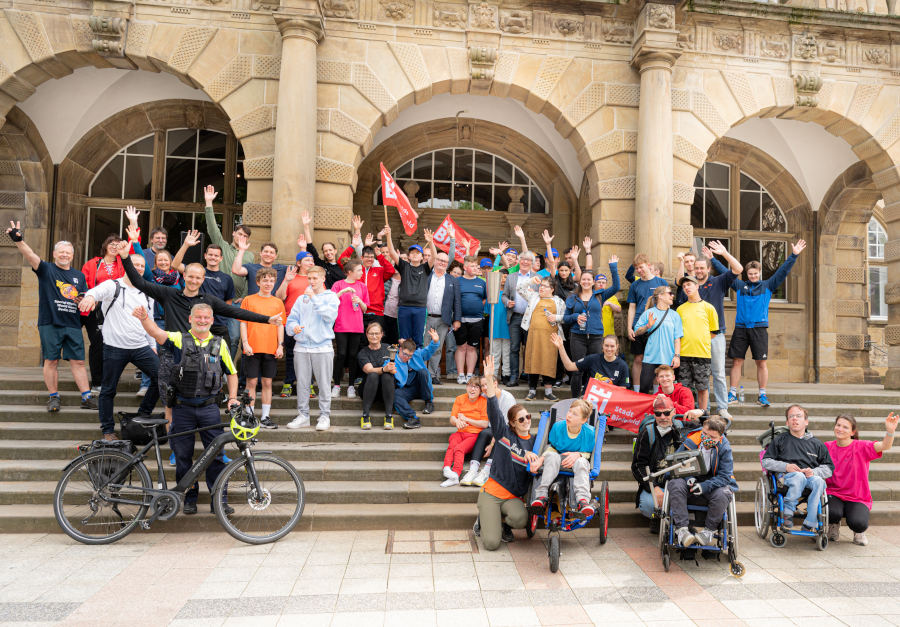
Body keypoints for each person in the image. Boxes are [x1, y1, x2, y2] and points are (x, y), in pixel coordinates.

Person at [133, 303, 239, 515]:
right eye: (198, 317)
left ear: (211, 320)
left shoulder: (220, 344)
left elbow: (232, 373)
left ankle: (219, 500)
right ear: (190, 319)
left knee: (216, 456)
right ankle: (188, 497)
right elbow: (157, 332)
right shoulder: (179, 339)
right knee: (182, 456)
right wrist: (145, 318)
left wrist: (233, 398)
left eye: (206, 318)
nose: (202, 321)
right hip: (183, 409)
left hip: (210, 408)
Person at [6, 222, 96, 412]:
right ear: (55, 254)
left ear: (72, 255)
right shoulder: (46, 269)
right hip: (50, 323)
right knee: (51, 360)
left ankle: (87, 397)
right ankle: (54, 397)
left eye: (68, 252)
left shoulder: (79, 276)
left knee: (79, 361)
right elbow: (30, 256)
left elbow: (82, 298)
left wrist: (89, 300)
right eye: (61, 252)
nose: (64, 255)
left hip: (72, 324)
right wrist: (19, 240)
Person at [79, 254, 160, 439]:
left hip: (140, 346)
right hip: (114, 348)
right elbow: (95, 292)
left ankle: (143, 415)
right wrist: (90, 298)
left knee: (161, 376)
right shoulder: (113, 285)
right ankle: (107, 430)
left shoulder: (147, 293)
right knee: (108, 390)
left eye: (141, 266)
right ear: (125, 266)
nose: (138, 268)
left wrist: (152, 345)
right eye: (135, 264)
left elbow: (150, 321)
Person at [729, 240, 807, 407]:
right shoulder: (739, 286)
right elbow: (725, 273)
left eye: (755, 274)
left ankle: (762, 395)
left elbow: (783, 271)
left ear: (759, 273)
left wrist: (794, 255)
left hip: (759, 329)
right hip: (741, 329)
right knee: (737, 361)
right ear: (746, 274)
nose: (753, 277)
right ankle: (732, 393)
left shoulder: (767, 286)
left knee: (761, 363)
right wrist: (717, 257)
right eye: (750, 274)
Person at [475, 356, 540, 549]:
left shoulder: (536, 443)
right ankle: (484, 519)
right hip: (492, 493)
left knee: (521, 520)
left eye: (527, 417)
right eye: (520, 419)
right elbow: (494, 411)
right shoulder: (504, 435)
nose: (526, 421)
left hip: (512, 497)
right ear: (512, 423)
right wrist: (489, 382)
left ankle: (502, 524)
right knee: (491, 544)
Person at [825, 412, 898, 545]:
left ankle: (858, 532)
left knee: (859, 523)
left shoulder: (861, 446)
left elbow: (885, 446)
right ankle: (833, 525)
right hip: (834, 493)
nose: (840, 429)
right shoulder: (827, 447)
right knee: (831, 512)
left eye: (845, 427)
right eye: (838, 425)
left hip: (857, 496)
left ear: (853, 432)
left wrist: (890, 432)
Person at [667, 416, 738, 547]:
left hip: (712, 486)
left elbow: (725, 476)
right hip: (690, 483)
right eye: (704, 434)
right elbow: (675, 465)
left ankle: (708, 531)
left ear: (720, 438)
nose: (707, 438)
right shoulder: (692, 440)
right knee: (674, 484)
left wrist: (705, 486)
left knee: (724, 493)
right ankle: (682, 530)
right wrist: (688, 478)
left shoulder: (724, 448)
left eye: (712, 437)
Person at [761, 404, 834, 531]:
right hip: (786, 479)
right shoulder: (780, 440)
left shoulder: (817, 444)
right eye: (791, 416)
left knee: (819, 482)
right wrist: (786, 466)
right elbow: (766, 461)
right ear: (787, 422)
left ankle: (811, 521)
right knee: (798, 476)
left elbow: (829, 468)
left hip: (809, 478)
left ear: (806, 422)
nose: (795, 419)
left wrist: (814, 472)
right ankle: (788, 511)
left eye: (799, 416)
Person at [690, 242, 743, 419]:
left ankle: (722, 407)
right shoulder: (690, 286)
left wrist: (725, 253)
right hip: (695, 338)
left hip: (715, 335)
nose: (698, 271)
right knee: (699, 374)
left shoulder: (718, 282)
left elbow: (738, 268)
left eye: (701, 268)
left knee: (719, 373)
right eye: (696, 268)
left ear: (708, 268)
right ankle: (702, 407)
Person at [202, 185, 254, 361]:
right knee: (211, 335)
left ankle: (228, 369)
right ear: (233, 234)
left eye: (245, 236)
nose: (241, 237)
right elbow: (212, 228)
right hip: (219, 299)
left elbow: (252, 279)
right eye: (239, 234)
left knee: (234, 338)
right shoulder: (222, 247)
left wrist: (245, 296)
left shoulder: (250, 255)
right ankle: (211, 366)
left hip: (238, 302)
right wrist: (209, 203)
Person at [285, 266, 339, 431]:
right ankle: (303, 416)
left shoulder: (331, 297)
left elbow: (329, 317)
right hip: (301, 347)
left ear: (323, 279)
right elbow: (291, 319)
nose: (312, 281)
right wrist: (293, 328)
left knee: (323, 384)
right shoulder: (302, 299)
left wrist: (314, 298)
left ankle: (324, 416)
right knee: (302, 383)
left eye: (315, 278)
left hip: (322, 347)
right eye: (310, 278)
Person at [528, 398, 596, 518]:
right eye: (569, 411)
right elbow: (552, 447)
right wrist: (541, 459)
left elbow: (587, 453)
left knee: (582, 462)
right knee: (551, 455)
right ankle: (542, 495)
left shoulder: (589, 432)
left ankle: (583, 501)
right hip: (557, 459)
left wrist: (577, 454)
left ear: (584, 420)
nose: (569, 415)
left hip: (576, 461)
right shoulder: (558, 427)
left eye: (574, 414)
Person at [564, 255, 620, 398]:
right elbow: (565, 318)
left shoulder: (600, 295)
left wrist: (613, 267)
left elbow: (616, 287)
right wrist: (575, 317)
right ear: (580, 281)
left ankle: (589, 399)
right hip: (577, 337)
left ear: (593, 282)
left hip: (595, 337)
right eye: (584, 279)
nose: (586, 281)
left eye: (589, 279)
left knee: (594, 370)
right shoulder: (572, 297)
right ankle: (575, 399)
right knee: (577, 370)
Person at [631, 396, 690, 527]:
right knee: (648, 506)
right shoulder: (647, 432)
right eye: (658, 413)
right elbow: (637, 466)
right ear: (654, 414)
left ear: (674, 412)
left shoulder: (682, 429)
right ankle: (658, 520)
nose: (663, 417)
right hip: (655, 481)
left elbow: (712, 427)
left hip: (678, 481)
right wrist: (655, 487)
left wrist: (702, 412)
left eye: (667, 413)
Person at [240, 267, 286, 429]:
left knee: (267, 382)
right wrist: (245, 342)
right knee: (251, 381)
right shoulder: (248, 300)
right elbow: (243, 323)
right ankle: (250, 415)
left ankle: (265, 417)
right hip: (252, 346)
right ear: (258, 282)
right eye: (265, 280)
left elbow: (280, 326)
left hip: (271, 348)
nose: (268, 283)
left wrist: (280, 345)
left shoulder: (277, 302)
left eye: (271, 280)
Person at [82, 234, 128, 391]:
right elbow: (84, 283)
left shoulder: (123, 264)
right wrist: (90, 297)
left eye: (118, 244)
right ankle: (97, 381)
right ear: (105, 245)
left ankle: (111, 379)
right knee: (97, 343)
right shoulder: (93, 264)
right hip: (95, 309)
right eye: (111, 243)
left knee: (115, 344)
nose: (114, 246)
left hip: (116, 309)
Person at [384, 225, 438, 348]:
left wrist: (431, 242)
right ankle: (404, 366)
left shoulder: (425, 268)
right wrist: (388, 236)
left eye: (417, 253)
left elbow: (434, 257)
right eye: (412, 253)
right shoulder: (404, 266)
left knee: (418, 339)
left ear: (422, 257)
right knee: (403, 339)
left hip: (419, 308)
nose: (414, 254)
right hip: (404, 308)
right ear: (408, 256)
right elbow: (392, 252)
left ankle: (415, 366)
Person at [461, 377, 517, 487]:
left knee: (500, 438)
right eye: (482, 385)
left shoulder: (507, 398)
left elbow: (504, 427)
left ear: (495, 383)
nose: (485, 388)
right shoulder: (483, 397)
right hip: (490, 429)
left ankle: (486, 470)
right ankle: (473, 470)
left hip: (507, 430)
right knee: (484, 433)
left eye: (487, 384)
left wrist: (491, 444)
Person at [675, 275, 718, 414]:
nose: (687, 287)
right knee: (685, 389)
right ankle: (685, 416)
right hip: (684, 355)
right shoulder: (680, 309)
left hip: (701, 355)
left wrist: (699, 342)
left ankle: (702, 415)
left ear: (697, 286)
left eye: (689, 284)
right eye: (684, 286)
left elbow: (713, 332)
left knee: (702, 387)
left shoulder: (709, 308)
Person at [517, 276, 566, 401]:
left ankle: (548, 392)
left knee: (548, 362)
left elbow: (566, 317)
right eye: (541, 285)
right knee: (533, 360)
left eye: (545, 286)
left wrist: (557, 317)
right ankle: (532, 391)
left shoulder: (559, 301)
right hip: (533, 335)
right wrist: (531, 281)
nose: (541, 288)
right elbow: (519, 288)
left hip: (551, 337)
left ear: (552, 289)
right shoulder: (533, 297)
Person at [275, 251, 316, 397]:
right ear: (299, 263)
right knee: (291, 354)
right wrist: (286, 280)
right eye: (307, 260)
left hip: (310, 323)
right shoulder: (291, 278)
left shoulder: (316, 279)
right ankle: (288, 383)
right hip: (290, 321)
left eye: (312, 261)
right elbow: (279, 297)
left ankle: (308, 384)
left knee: (309, 355)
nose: (311, 263)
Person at [626, 254, 669, 391]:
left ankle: (657, 391)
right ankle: (637, 391)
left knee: (657, 360)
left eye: (641, 267)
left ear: (648, 265)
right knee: (638, 359)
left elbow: (668, 305)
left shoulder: (661, 283)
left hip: (657, 327)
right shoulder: (635, 285)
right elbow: (631, 307)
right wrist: (629, 328)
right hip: (639, 327)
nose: (639, 270)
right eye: (637, 268)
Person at [330, 259, 370, 399]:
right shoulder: (338, 284)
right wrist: (344, 291)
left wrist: (360, 302)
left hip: (356, 325)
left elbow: (365, 309)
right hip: (341, 325)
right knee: (341, 354)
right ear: (349, 272)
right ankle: (336, 385)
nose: (361, 272)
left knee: (353, 355)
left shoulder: (362, 286)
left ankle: (351, 386)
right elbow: (331, 301)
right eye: (359, 270)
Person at [634, 286, 683, 394]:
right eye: (670, 293)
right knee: (644, 389)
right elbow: (636, 332)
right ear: (660, 296)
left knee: (669, 390)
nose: (672, 296)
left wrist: (677, 356)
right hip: (650, 358)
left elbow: (677, 338)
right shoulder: (648, 313)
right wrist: (647, 326)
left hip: (668, 358)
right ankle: (645, 411)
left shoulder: (675, 315)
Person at [441, 378, 490, 487]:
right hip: (460, 433)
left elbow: (485, 424)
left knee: (459, 448)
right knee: (452, 444)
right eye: (470, 386)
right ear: (466, 387)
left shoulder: (483, 401)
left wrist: (466, 419)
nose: (472, 389)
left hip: (474, 435)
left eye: (476, 387)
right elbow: (452, 418)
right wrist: (457, 421)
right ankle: (447, 468)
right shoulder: (460, 399)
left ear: (480, 390)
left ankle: (456, 474)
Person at [425, 249, 461, 384]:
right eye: (439, 260)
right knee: (423, 346)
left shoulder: (452, 280)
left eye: (445, 261)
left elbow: (457, 301)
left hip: (443, 319)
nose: (442, 263)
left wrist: (457, 319)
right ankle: (422, 375)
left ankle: (433, 375)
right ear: (434, 260)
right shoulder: (426, 275)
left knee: (437, 348)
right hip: (425, 318)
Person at [550, 333, 629, 394]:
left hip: (609, 402)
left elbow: (622, 391)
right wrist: (561, 347)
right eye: (606, 346)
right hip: (589, 401)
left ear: (617, 346)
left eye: (612, 346)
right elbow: (569, 366)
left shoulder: (623, 365)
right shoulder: (593, 359)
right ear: (602, 346)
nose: (609, 349)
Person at [501, 250, 536, 386]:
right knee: (514, 348)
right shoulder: (511, 277)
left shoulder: (537, 277)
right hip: (515, 317)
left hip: (531, 318)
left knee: (529, 348)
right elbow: (504, 295)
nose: (525, 262)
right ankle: (513, 377)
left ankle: (528, 376)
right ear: (519, 261)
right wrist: (507, 302)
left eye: (528, 260)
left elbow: (543, 296)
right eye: (523, 259)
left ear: (532, 263)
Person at [393, 329, 440, 429]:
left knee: (422, 371)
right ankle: (413, 419)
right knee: (396, 394)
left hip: (421, 386)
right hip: (407, 388)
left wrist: (435, 341)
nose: (407, 357)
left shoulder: (417, 354)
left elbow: (429, 350)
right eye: (405, 354)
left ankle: (428, 402)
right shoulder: (394, 359)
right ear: (400, 349)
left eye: (410, 355)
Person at [357, 321, 396, 430]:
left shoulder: (389, 349)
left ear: (381, 334)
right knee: (373, 374)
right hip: (368, 388)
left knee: (387, 376)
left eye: (377, 333)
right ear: (366, 334)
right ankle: (365, 415)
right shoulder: (363, 353)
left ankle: (388, 416)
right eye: (371, 333)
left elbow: (396, 367)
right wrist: (384, 369)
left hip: (385, 389)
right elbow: (369, 370)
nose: (374, 336)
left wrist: (391, 369)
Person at [454, 256, 486, 384]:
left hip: (477, 319)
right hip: (460, 320)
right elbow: (454, 300)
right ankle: (461, 374)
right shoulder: (457, 281)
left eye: (475, 265)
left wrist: (475, 307)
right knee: (461, 347)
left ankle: (470, 375)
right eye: (472, 266)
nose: (475, 268)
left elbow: (484, 299)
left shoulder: (481, 282)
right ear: (465, 267)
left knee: (472, 348)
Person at [300, 211, 346, 289]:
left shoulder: (342, 266)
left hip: (339, 298)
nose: (328, 253)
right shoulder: (321, 265)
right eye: (325, 251)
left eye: (330, 250)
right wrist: (306, 227)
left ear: (335, 251)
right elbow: (310, 247)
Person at [488, 270, 511, 382]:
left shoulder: (511, 294)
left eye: (506, 277)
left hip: (507, 327)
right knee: (494, 353)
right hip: (495, 327)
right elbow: (488, 310)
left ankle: (506, 374)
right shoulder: (493, 293)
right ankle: (494, 375)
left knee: (507, 353)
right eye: (501, 277)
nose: (503, 279)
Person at [594, 273, 621, 338]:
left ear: (606, 284)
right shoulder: (591, 294)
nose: (601, 284)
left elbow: (619, 309)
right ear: (594, 283)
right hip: (594, 331)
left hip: (608, 332)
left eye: (603, 282)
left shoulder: (611, 296)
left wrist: (609, 303)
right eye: (599, 282)